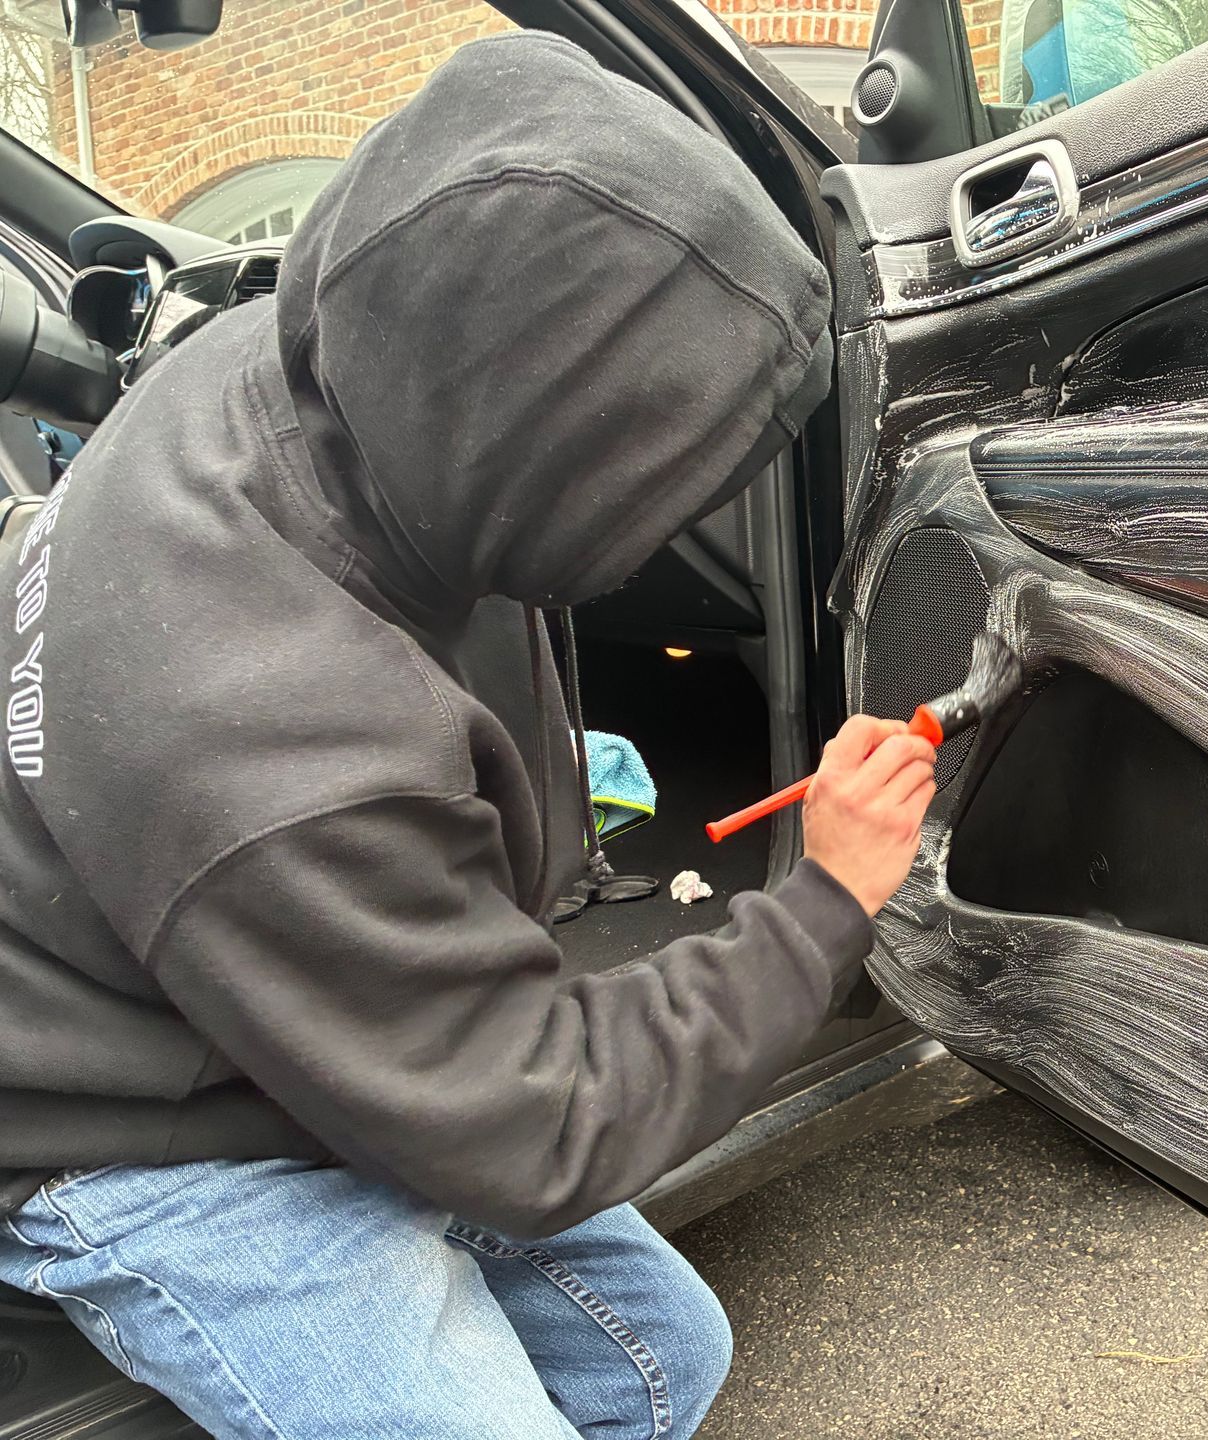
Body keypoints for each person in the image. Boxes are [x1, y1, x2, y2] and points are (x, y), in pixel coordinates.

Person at [0, 31, 935, 1439]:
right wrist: (827, 899)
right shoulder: (276, 740)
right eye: (664, 463)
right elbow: (542, 1119)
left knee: (656, 1364)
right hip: (126, 1125)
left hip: (235, 990)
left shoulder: (303, 366)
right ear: (536, 432)